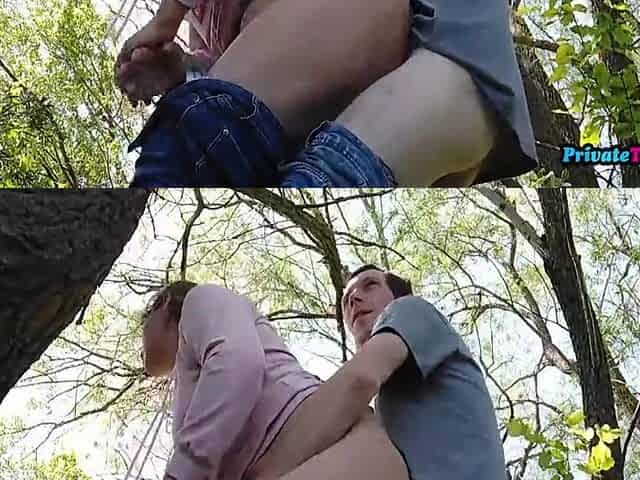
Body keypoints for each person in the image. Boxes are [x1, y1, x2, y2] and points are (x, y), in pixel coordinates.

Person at [115, 0, 538, 187]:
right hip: (330, 124)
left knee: (200, 136)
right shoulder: (208, 21)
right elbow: (235, 72)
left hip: (448, 74)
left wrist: (166, 17)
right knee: (204, 137)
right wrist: (183, 70)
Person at [142, 266, 505, 480]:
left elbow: (358, 381)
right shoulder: (393, 399)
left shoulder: (411, 310)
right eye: (346, 299)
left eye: (370, 285)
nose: (354, 298)